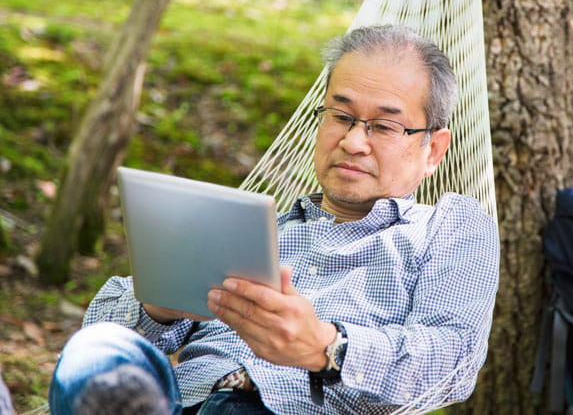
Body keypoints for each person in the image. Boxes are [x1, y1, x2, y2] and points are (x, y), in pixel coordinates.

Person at [49, 24, 499, 414]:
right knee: (95, 352)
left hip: (289, 407)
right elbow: (101, 327)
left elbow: (452, 362)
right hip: (179, 400)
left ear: (433, 151)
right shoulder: (252, 227)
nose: (353, 142)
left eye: (383, 126)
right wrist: (157, 307)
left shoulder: (449, 228)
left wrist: (326, 347)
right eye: (340, 116)